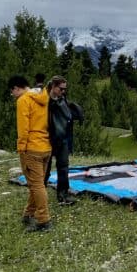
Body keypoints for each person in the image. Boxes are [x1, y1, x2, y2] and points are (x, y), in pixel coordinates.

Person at [8, 75, 52, 232]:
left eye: (12, 91)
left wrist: (21, 148)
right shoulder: (43, 97)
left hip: (31, 148)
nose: (12, 95)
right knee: (38, 183)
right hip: (46, 146)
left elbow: (23, 127)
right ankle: (28, 214)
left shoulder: (23, 100)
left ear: (16, 88)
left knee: (36, 185)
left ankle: (43, 220)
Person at [44, 76, 79, 205]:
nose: (63, 91)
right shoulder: (44, 100)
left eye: (65, 89)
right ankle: (40, 195)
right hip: (48, 138)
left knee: (63, 167)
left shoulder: (63, 99)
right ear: (53, 86)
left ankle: (63, 195)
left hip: (62, 138)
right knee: (45, 168)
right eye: (61, 89)